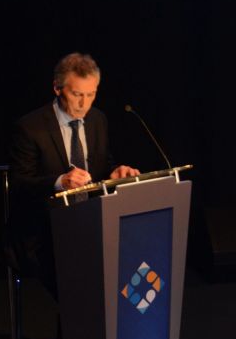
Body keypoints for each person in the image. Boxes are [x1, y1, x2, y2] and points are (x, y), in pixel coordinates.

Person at [8, 52, 139, 298]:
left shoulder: (98, 120)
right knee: (81, 278)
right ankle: (75, 335)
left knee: (129, 255)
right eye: (77, 94)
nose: (84, 104)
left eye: (91, 94)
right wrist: (60, 182)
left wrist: (115, 174)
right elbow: (20, 184)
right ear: (57, 88)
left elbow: (100, 169)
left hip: (91, 222)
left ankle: (102, 334)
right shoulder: (30, 127)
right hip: (46, 228)